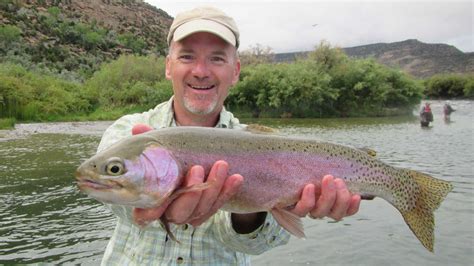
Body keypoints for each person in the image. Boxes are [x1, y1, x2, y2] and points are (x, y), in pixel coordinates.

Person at [96, 6, 361, 265]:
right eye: (187, 56)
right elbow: (111, 199)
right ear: (168, 66)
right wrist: (146, 207)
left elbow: (258, 244)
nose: (201, 70)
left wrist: (255, 203)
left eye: (217, 58)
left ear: (235, 71)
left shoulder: (262, 144)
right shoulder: (127, 132)